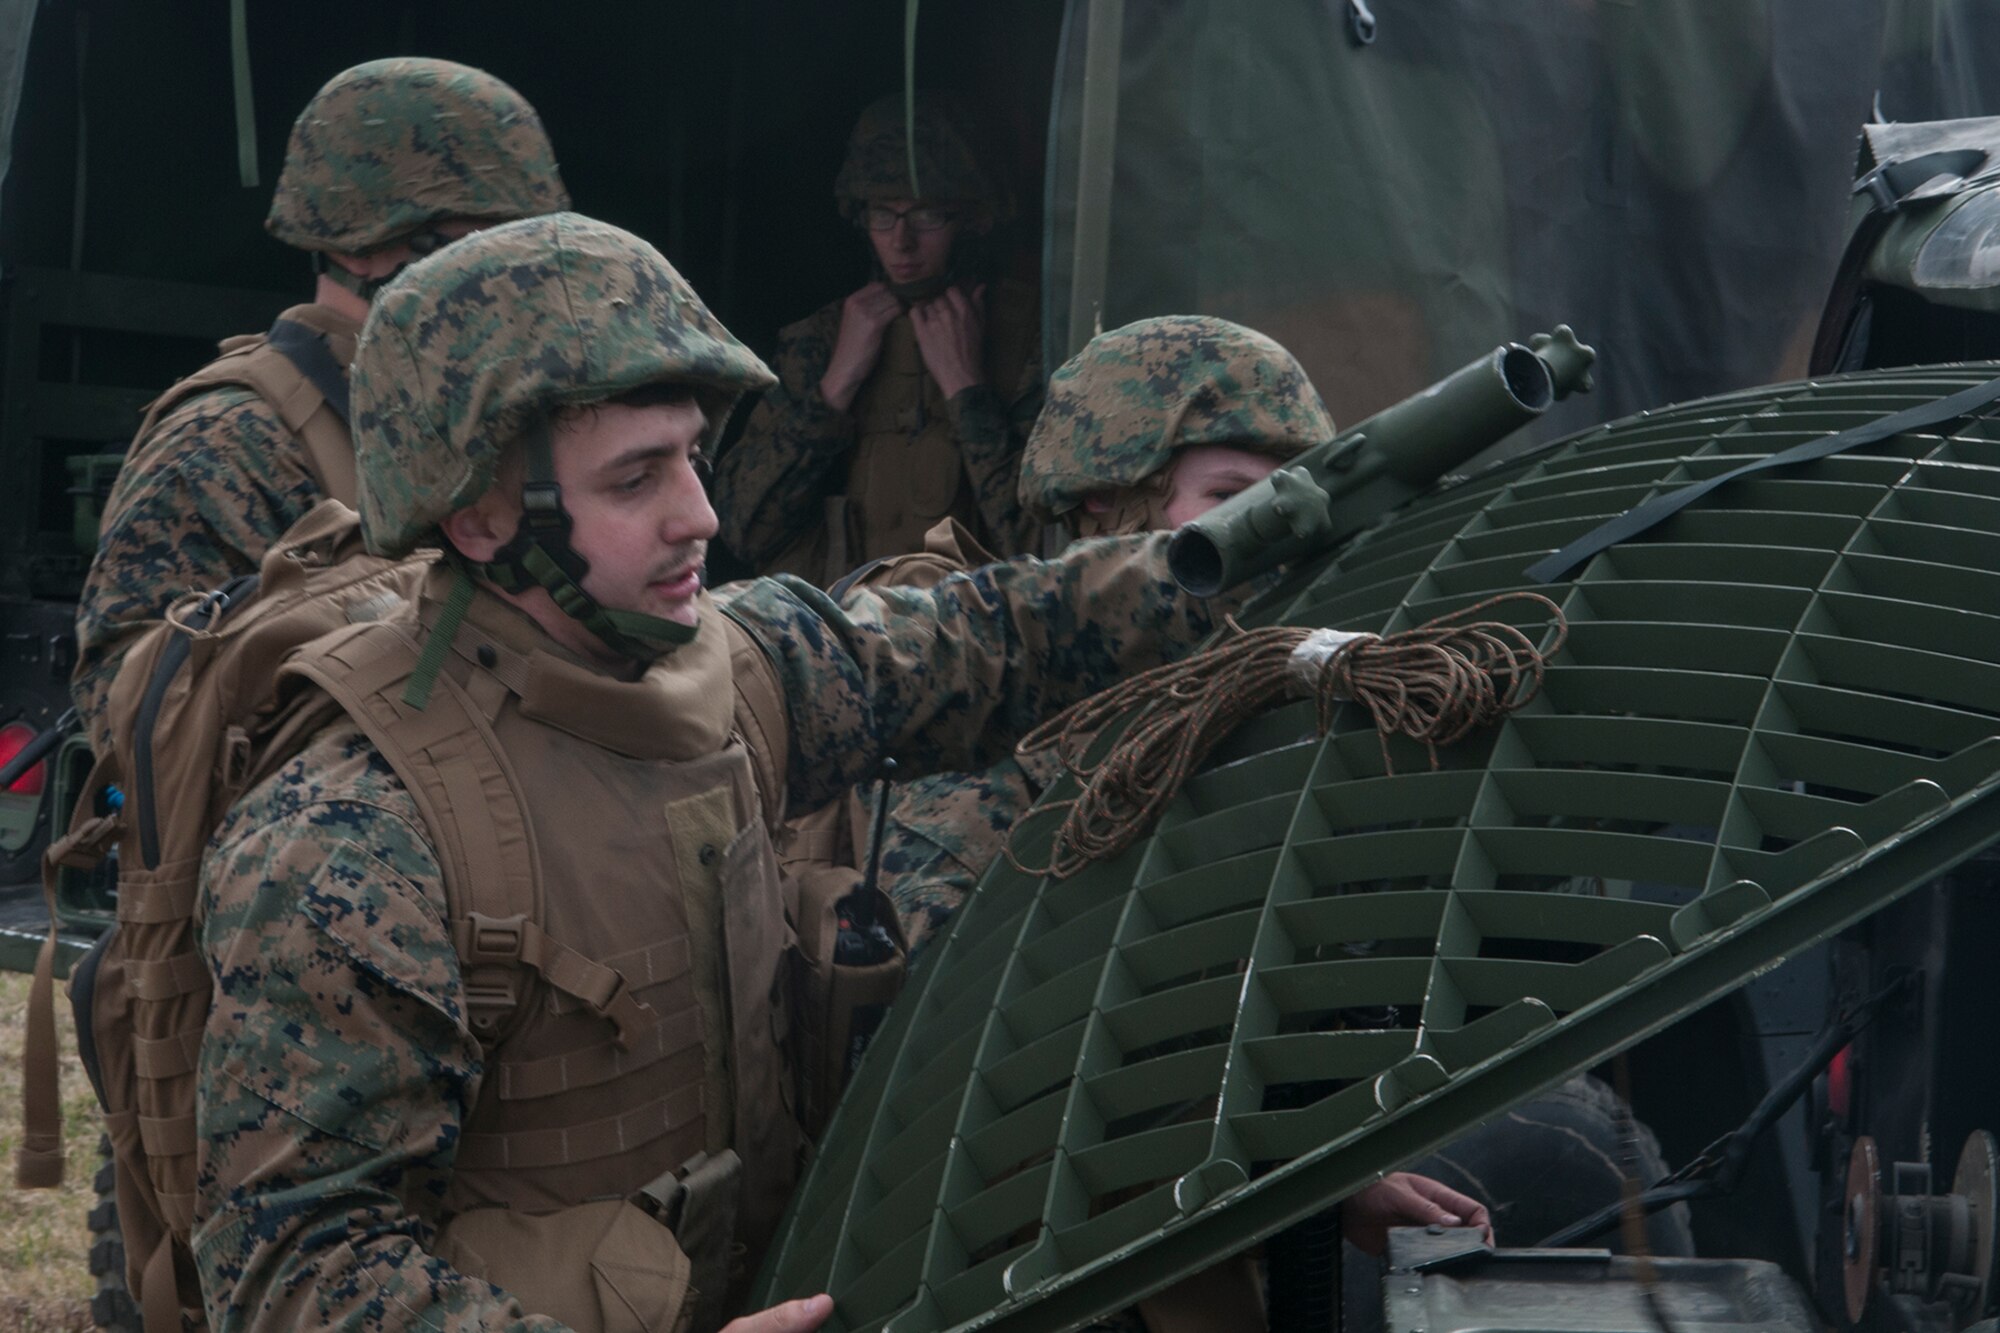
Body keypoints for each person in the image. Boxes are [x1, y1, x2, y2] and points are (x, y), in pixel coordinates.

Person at [191, 217, 1483, 1333]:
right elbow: (297, 1270)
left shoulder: (735, 675)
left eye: (692, 455)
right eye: (636, 478)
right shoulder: (353, 833)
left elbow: (992, 637)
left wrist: (1242, 555)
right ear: (479, 517)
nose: (701, 512)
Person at [69, 57, 569, 752]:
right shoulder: (229, 442)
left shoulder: (466, 415)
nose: (521, 283)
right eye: (489, 246)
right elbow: (137, 717)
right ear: (370, 250)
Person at [814, 314, 1334, 951]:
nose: (1272, 533)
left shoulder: (1271, 682)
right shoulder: (990, 696)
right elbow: (944, 975)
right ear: (1108, 499)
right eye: (1233, 498)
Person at [712, 93, 1042, 585]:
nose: (901, 241)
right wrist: (834, 390)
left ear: (973, 218)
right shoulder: (822, 341)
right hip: (845, 643)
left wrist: (968, 397)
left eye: (927, 215)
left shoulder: (1031, 338)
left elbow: (1047, 550)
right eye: (883, 215)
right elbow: (742, 530)